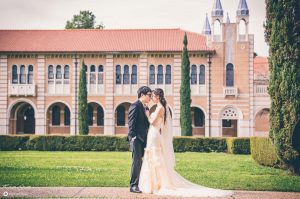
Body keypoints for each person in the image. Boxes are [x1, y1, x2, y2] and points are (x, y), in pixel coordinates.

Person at [139, 88, 233, 197]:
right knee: (153, 158)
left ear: (158, 97)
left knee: (155, 159)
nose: (152, 98)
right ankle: (153, 184)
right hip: (153, 134)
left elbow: (153, 122)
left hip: (154, 134)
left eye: (153, 96)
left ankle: (156, 184)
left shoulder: (160, 108)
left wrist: (147, 114)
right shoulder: (160, 107)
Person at [128, 86, 152, 193]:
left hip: (144, 139)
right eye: (149, 95)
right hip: (136, 139)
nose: (150, 97)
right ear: (142, 95)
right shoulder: (135, 105)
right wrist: (133, 137)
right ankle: (133, 185)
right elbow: (131, 123)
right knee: (136, 161)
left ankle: (141, 183)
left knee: (143, 162)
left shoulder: (144, 107)